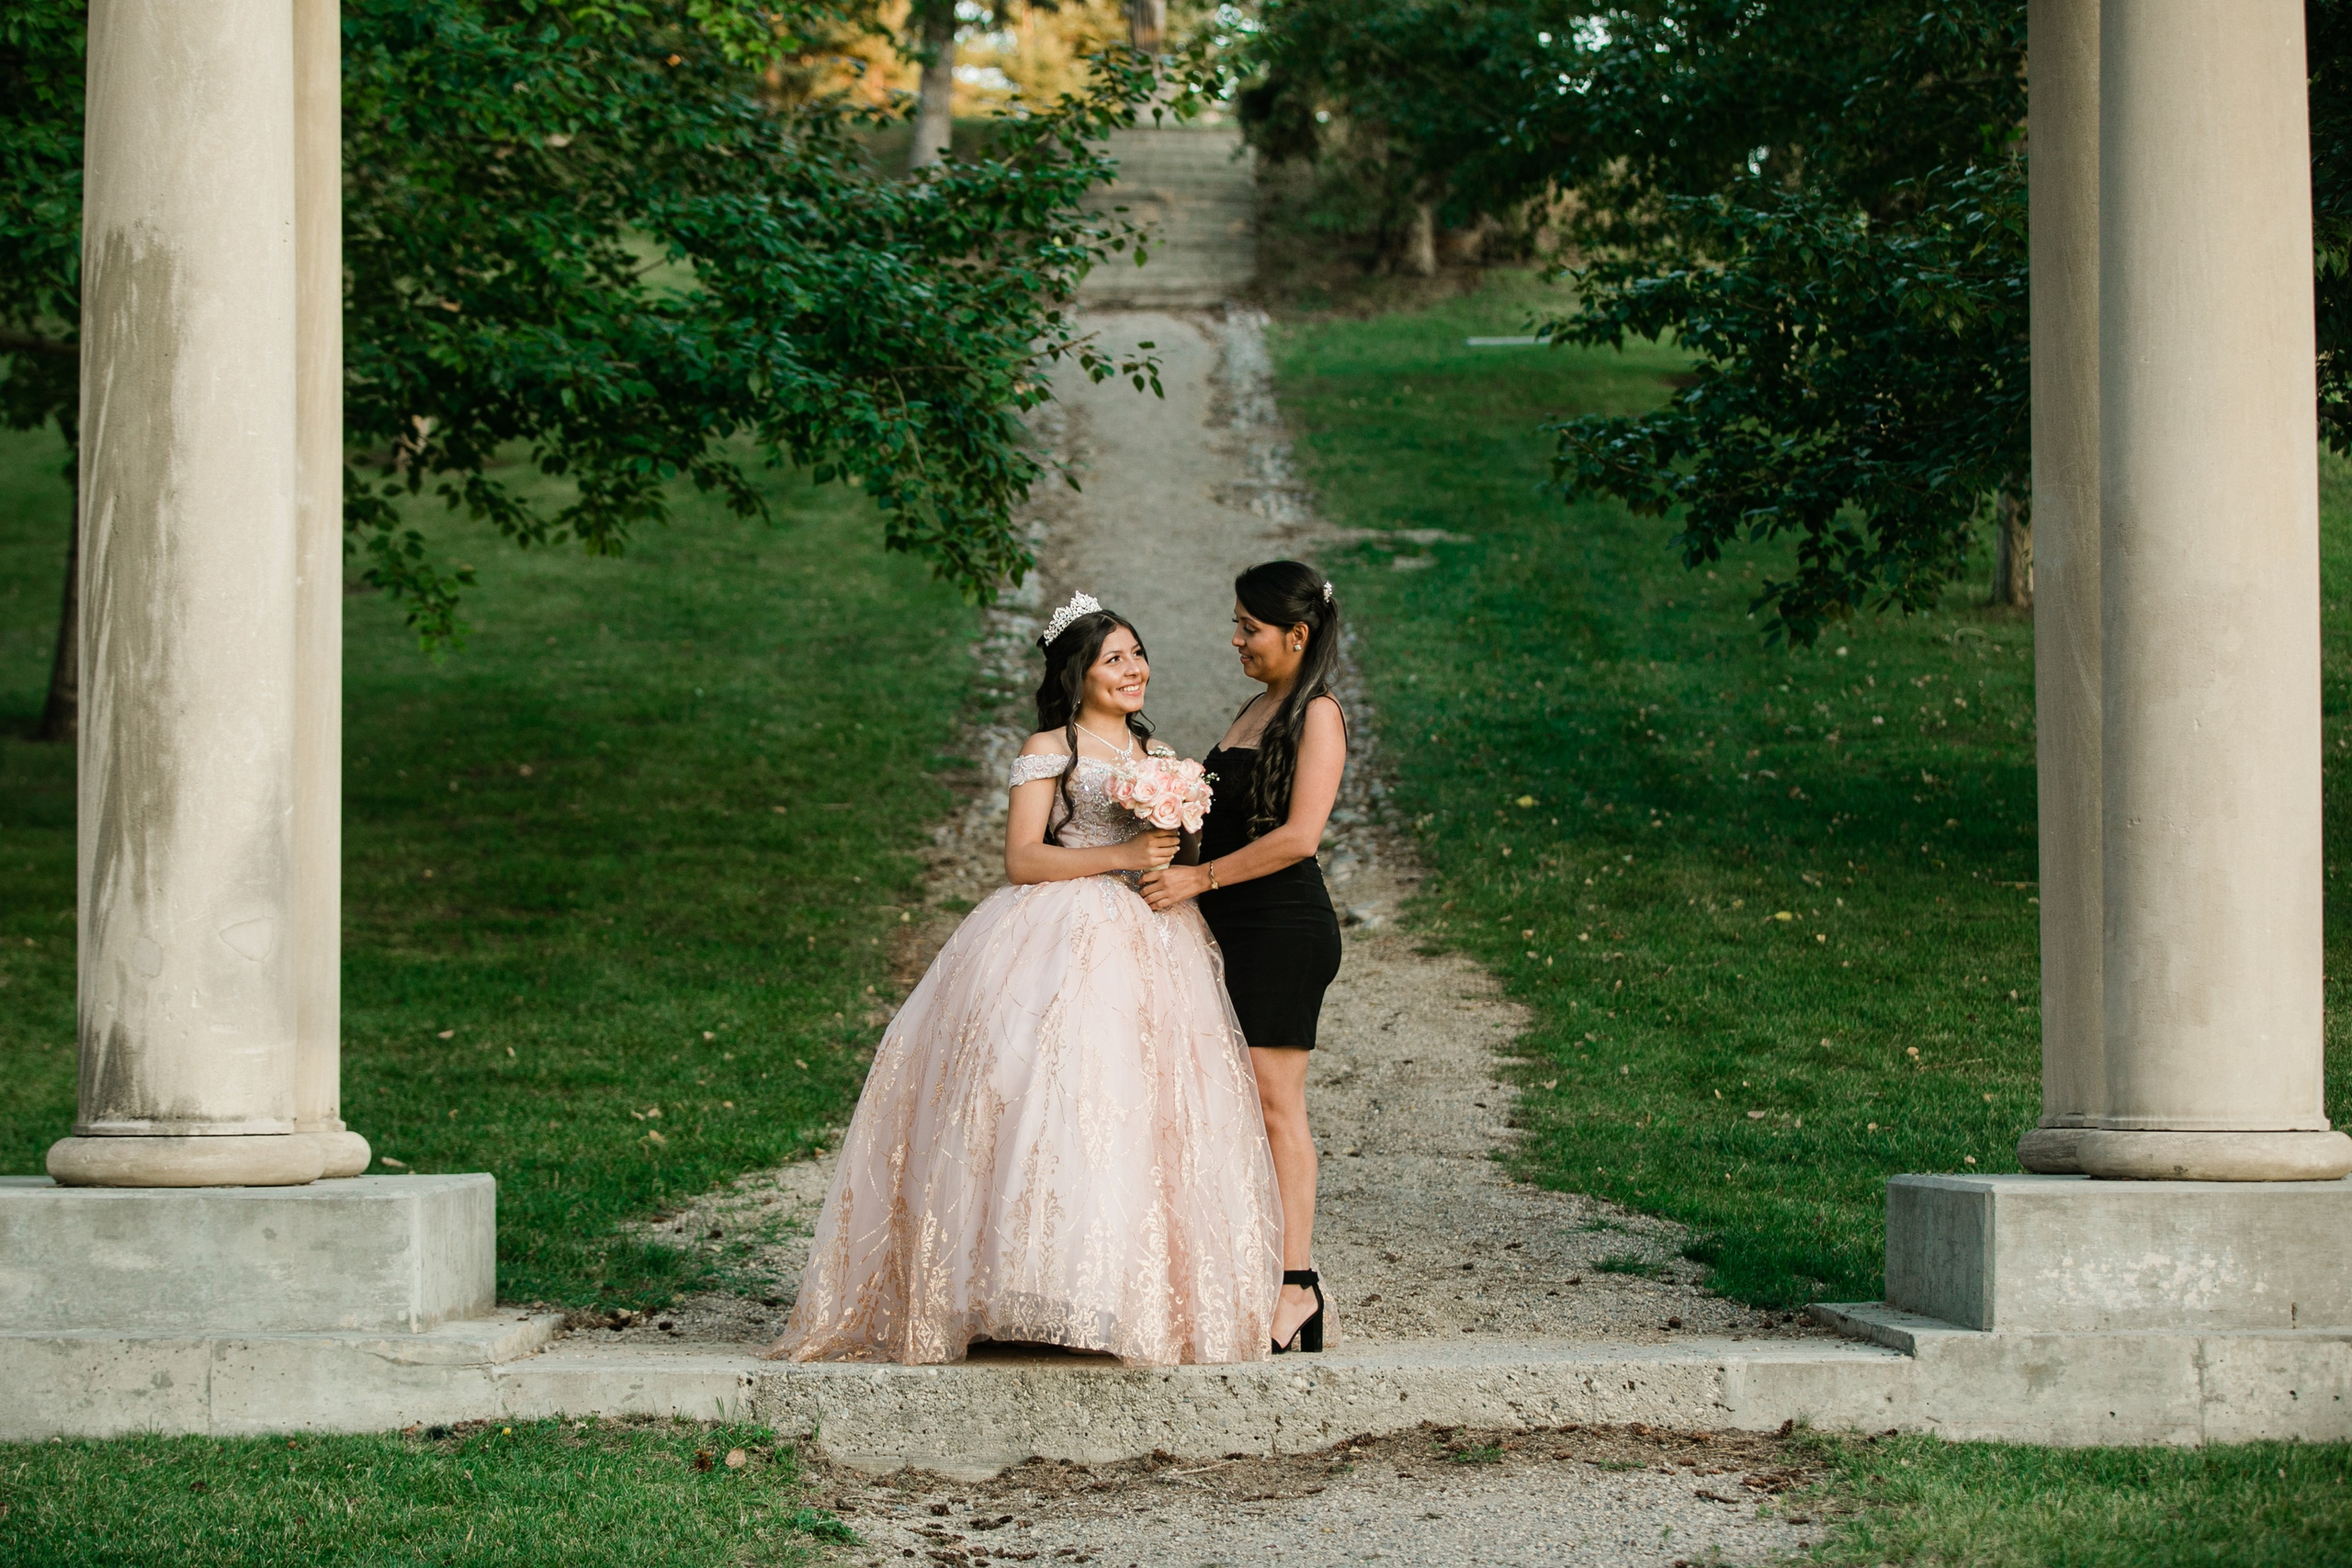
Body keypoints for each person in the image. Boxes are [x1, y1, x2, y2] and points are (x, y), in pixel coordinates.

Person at [764, 592, 1282, 1365]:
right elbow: (1023, 858)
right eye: (1114, 658)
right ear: (1078, 675)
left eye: (1137, 653)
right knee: (1042, 1093)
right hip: (1060, 929)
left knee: (1140, 1104)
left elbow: (1169, 848)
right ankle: (1010, 1289)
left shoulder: (1160, 752)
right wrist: (1122, 856)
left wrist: (1175, 829)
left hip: (1154, 936)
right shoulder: (1051, 746)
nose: (1133, 668)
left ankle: (1116, 1291)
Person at [1140, 561, 1345, 1355]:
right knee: (1222, 1104)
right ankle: (1246, 1269)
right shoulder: (1257, 706)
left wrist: (1202, 875)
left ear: (1297, 634)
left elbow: (1300, 837)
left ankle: (1297, 1287)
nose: (1235, 640)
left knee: (1273, 1104)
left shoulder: (1317, 714)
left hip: (1281, 926)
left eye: (1248, 628)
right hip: (1224, 920)